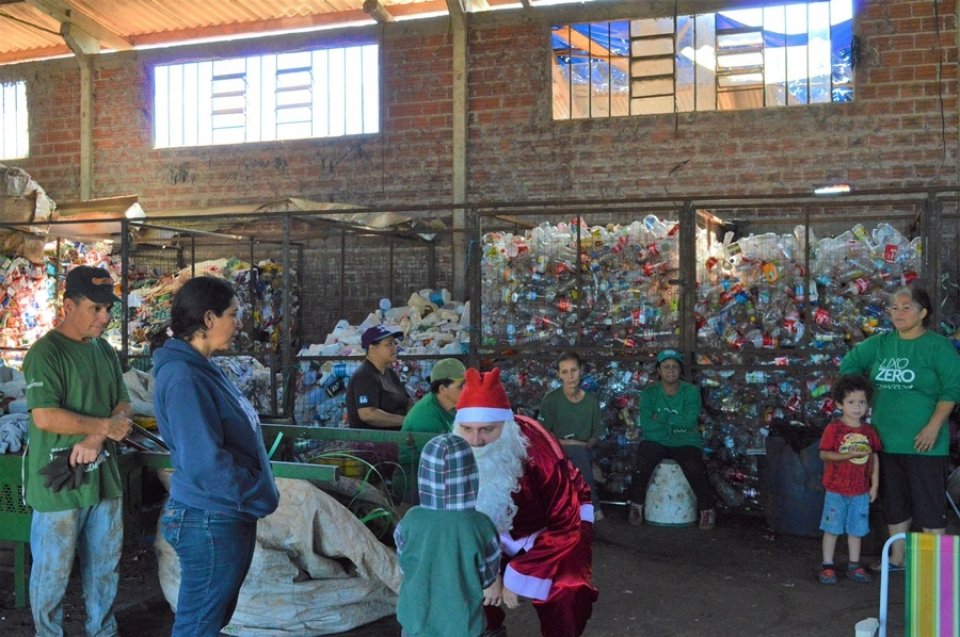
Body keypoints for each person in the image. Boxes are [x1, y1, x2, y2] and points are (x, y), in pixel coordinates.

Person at [152, 276, 280, 637]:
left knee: (208, 620)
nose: (238, 323)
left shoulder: (201, 368)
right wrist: (253, 493)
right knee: (198, 625)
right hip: (210, 516)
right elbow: (204, 460)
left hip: (220, 512)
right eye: (233, 314)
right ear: (208, 319)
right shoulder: (183, 377)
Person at [24, 265, 135, 637]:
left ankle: (103, 630)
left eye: (108, 309)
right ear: (68, 305)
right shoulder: (45, 352)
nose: (105, 318)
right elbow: (44, 416)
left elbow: (123, 402)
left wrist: (95, 438)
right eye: (96, 308)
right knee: (53, 570)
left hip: (103, 477)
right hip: (60, 480)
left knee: (105, 565)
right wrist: (104, 427)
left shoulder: (103, 350)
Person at [455, 367, 597, 637]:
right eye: (467, 429)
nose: (476, 440)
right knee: (459, 572)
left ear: (506, 425)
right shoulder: (454, 449)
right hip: (491, 535)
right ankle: (487, 629)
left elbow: (567, 525)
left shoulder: (540, 452)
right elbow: (456, 523)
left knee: (569, 586)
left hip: (553, 527)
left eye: (487, 429)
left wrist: (516, 576)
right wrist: (489, 571)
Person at [839, 284, 960, 570]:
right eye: (894, 308)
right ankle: (898, 557)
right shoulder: (880, 344)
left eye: (906, 307)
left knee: (929, 507)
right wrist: (860, 399)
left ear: (923, 313)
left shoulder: (937, 347)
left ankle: (935, 570)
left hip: (925, 443)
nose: (898, 313)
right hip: (885, 441)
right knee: (894, 504)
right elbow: (849, 366)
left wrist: (933, 427)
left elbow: (952, 391)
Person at [394, 433, 501, 637]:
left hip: (415, 622)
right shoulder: (481, 525)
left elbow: (404, 564)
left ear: (424, 473)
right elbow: (487, 576)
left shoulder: (410, 520)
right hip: (463, 626)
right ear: (471, 473)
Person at [627, 349, 716, 530]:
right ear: (658, 370)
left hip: (685, 441)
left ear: (680, 370)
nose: (671, 370)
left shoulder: (691, 392)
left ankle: (707, 510)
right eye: (666, 366)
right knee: (642, 463)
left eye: (675, 366)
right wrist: (675, 425)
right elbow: (647, 425)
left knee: (694, 466)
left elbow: (690, 420)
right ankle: (636, 506)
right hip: (657, 440)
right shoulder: (649, 393)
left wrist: (661, 421)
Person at [817, 375, 882, 585]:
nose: (857, 407)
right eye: (851, 402)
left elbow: (874, 456)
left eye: (861, 402)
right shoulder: (834, 429)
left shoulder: (869, 431)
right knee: (832, 528)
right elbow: (825, 455)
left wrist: (875, 484)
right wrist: (848, 455)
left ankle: (855, 564)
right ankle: (828, 565)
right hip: (836, 488)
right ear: (839, 404)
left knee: (857, 529)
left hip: (860, 490)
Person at [538, 352, 605, 520]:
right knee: (577, 452)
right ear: (559, 374)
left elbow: (596, 434)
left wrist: (585, 445)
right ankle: (593, 507)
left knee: (580, 454)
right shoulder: (551, 399)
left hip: (583, 451)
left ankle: (588, 507)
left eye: (574, 370)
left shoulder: (590, 401)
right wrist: (572, 442)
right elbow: (543, 436)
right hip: (555, 449)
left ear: (581, 370)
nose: (570, 376)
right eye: (565, 372)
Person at [397, 358, 467, 501]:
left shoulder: (452, 408)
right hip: (416, 480)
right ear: (442, 389)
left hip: (437, 475)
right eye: (461, 386)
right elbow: (438, 461)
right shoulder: (426, 414)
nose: (466, 390)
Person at [345, 325, 411, 429]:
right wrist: (407, 421)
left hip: (400, 435)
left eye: (395, 343)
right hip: (374, 441)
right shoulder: (364, 376)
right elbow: (368, 414)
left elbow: (407, 400)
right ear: (372, 348)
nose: (395, 347)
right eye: (389, 344)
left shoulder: (390, 373)